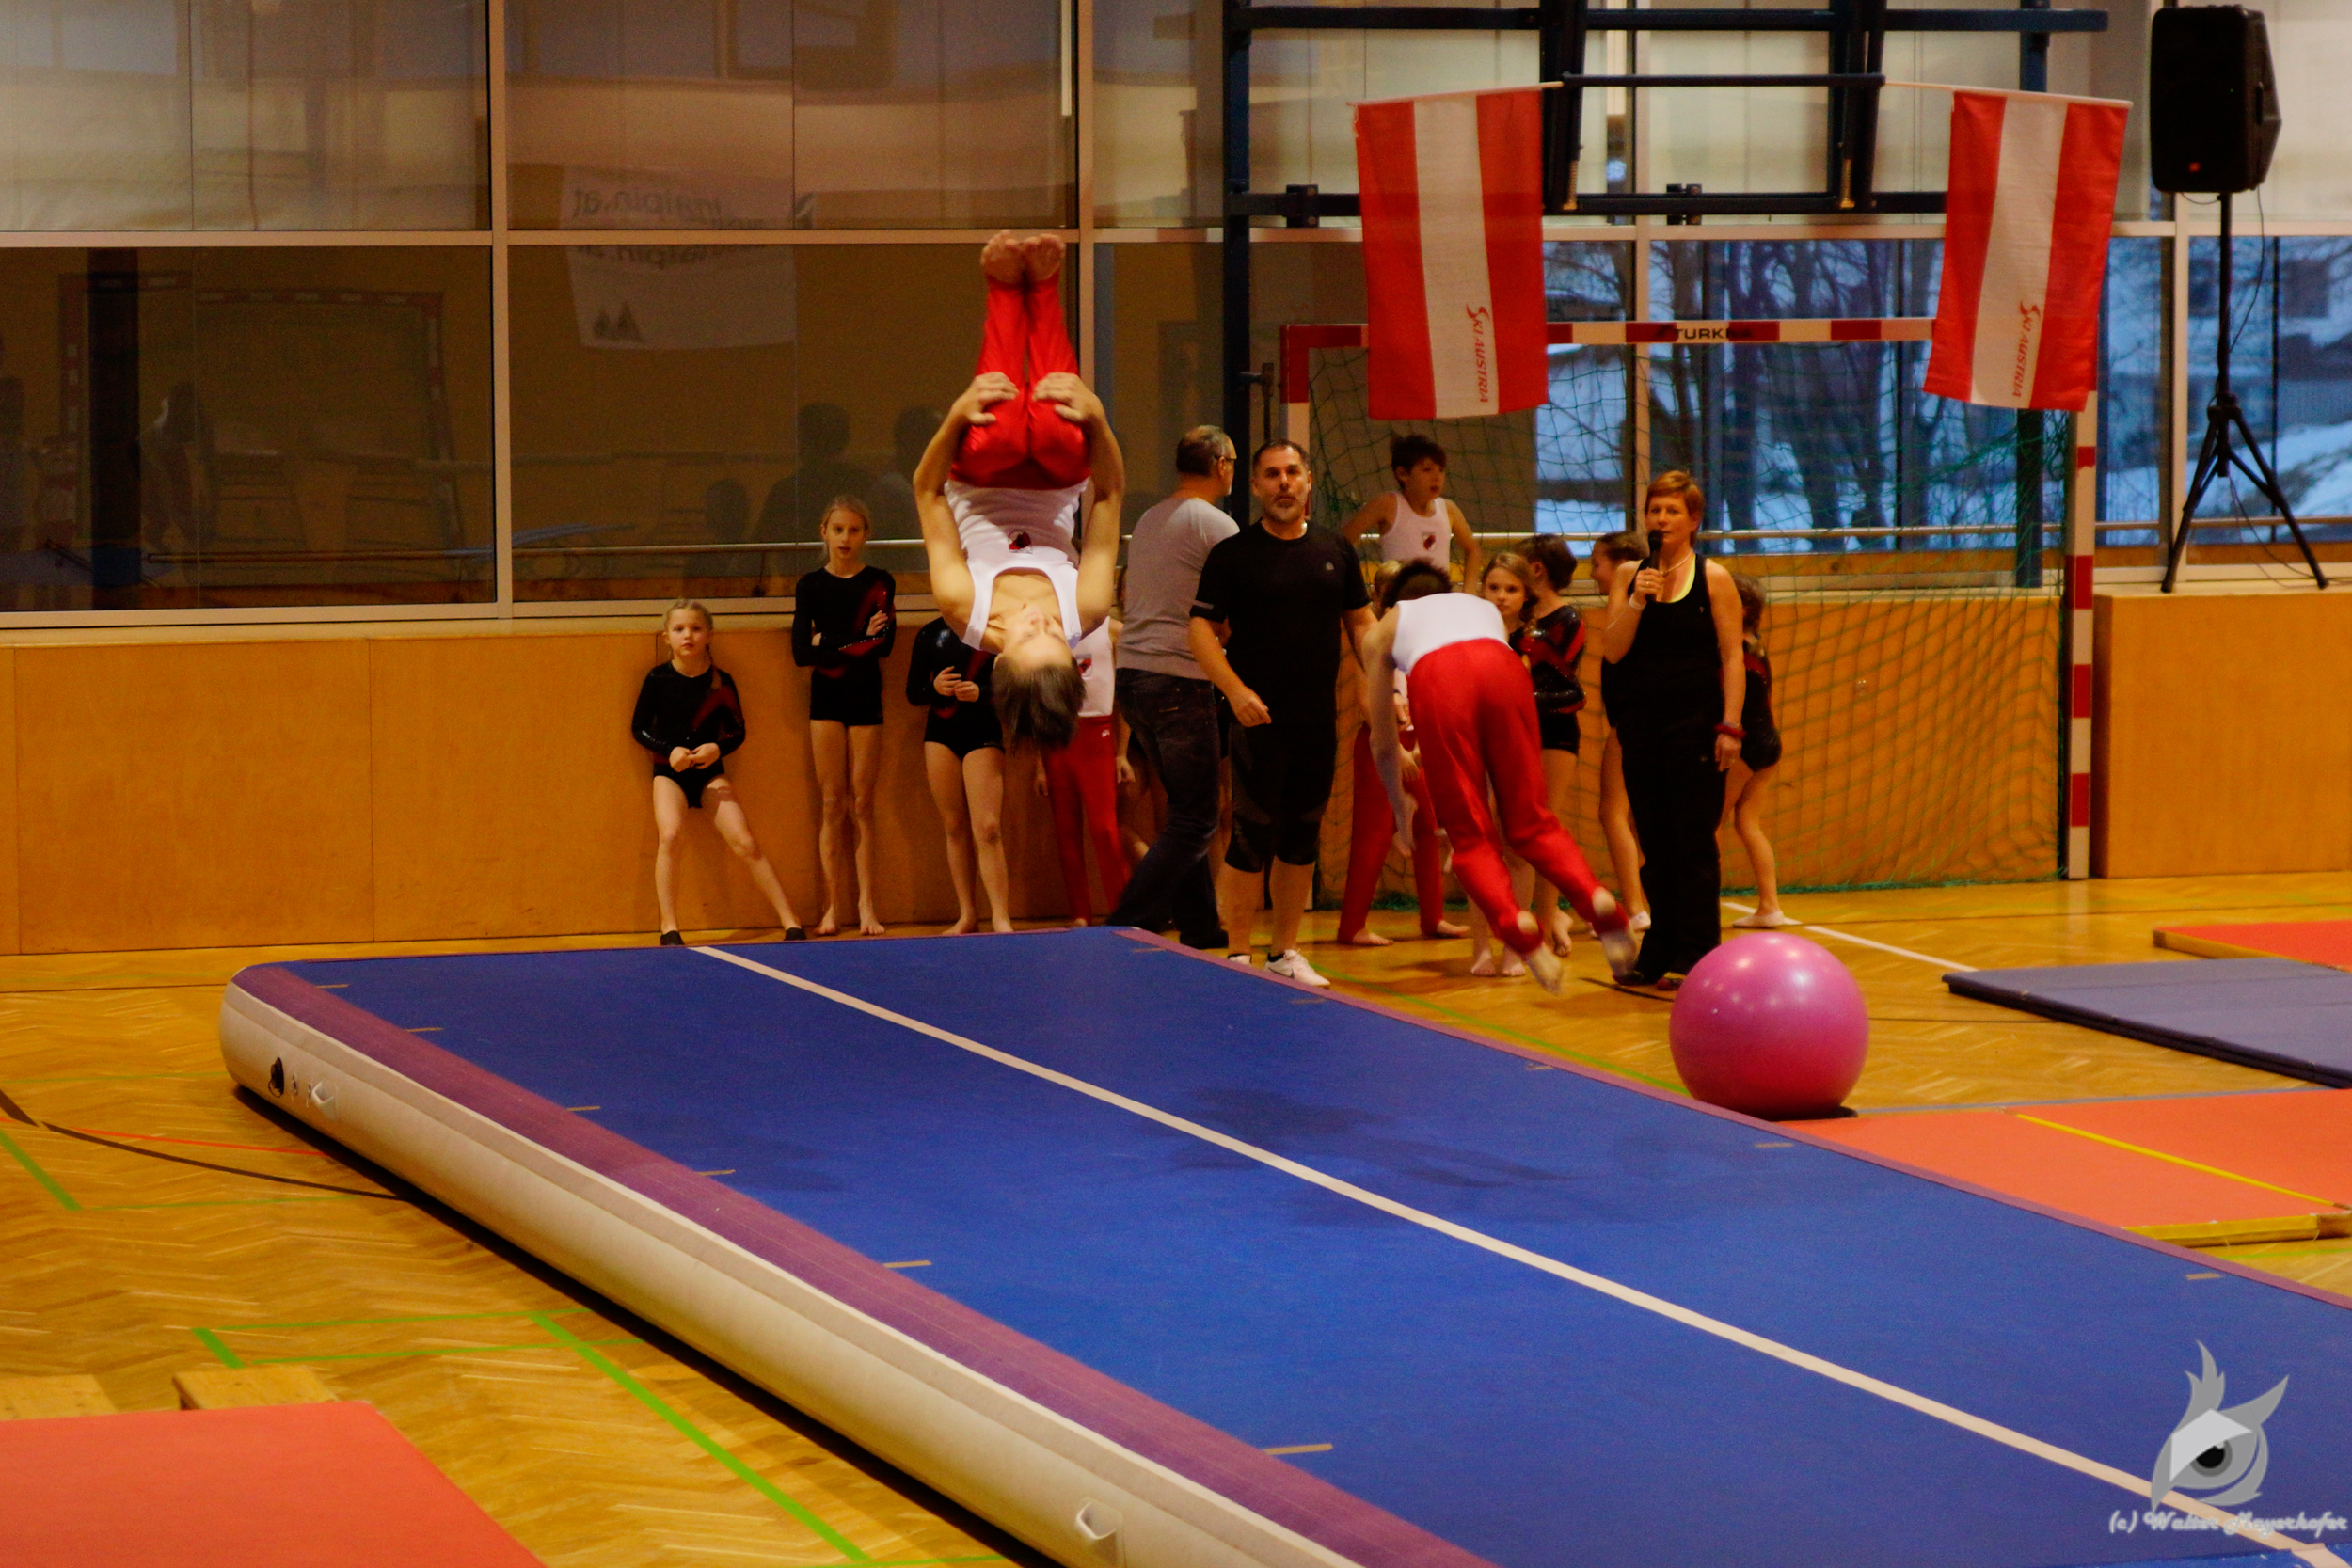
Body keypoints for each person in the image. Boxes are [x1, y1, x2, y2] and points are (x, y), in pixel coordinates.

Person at [1359, 564, 1635, 994]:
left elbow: (1382, 741)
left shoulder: (1382, 629)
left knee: (1471, 836)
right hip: (1503, 668)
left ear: (1388, 602)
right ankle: (1594, 897)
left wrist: (1400, 811)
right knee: (1532, 823)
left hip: (1440, 675)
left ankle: (1513, 921)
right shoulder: (1479, 607)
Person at [914, 231, 1124, 752]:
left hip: (980, 479)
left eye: (1030, 635)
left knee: (1000, 427)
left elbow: (928, 493)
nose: (1042, 622)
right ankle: (1045, 287)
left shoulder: (963, 605)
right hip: (1056, 481)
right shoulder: (1087, 607)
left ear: (1002, 659)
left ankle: (1006, 289)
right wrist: (1096, 417)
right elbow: (1109, 495)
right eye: (1055, 636)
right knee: (1059, 425)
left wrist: (957, 415)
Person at [1191, 439, 1373, 986]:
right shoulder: (1233, 555)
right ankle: (1237, 955)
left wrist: (1388, 682)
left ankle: (1285, 952)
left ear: (1309, 480)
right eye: (1272, 474)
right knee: (1251, 835)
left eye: (1292, 472)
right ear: (1255, 486)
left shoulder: (1336, 550)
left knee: (1302, 835)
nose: (1284, 483)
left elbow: (1362, 624)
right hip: (1257, 722)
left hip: (1317, 721)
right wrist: (1234, 690)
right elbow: (1199, 630)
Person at [1598, 472, 1747, 990]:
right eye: (1654, 510)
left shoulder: (1714, 578)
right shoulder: (1628, 576)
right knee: (1655, 843)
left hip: (1697, 726)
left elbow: (1733, 657)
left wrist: (1731, 726)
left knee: (1693, 844)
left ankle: (1698, 952)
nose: (1661, 519)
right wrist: (1637, 600)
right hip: (1642, 727)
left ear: (1694, 520)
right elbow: (1613, 650)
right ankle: (1658, 947)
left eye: (1672, 511)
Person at [1106, 426, 1238, 950]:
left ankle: (1201, 927)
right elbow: (1237, 603)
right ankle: (1123, 923)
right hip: (1178, 678)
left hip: (1133, 677)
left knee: (1186, 808)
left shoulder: (1150, 519)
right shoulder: (1216, 524)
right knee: (1199, 815)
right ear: (1222, 466)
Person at [632, 600, 806, 946]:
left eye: (696, 629)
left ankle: (790, 920)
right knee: (670, 835)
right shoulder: (658, 678)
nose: (688, 636)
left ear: (709, 635)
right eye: (679, 629)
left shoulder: (721, 682)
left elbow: (737, 731)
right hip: (669, 773)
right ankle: (669, 925)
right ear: (666, 637)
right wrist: (669, 750)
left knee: (745, 841)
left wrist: (717, 748)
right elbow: (638, 727)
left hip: (709, 773)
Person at [1335, 561, 1463, 948]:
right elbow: (1366, 704)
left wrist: (1422, 744)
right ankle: (1352, 926)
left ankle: (1433, 917)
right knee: (1373, 834)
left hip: (1414, 746)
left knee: (1427, 827)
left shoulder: (1424, 644)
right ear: (1381, 601)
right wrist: (1395, 749)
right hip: (1382, 747)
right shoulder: (1372, 643)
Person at [793, 497, 896, 936]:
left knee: (863, 803)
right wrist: (855, 637)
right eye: (838, 530)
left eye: (854, 530)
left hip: (865, 696)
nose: (845, 538)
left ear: (865, 534)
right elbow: (801, 652)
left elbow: (884, 646)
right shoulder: (810, 585)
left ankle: (867, 906)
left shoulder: (879, 582)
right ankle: (832, 907)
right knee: (832, 802)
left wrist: (827, 640)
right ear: (824, 532)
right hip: (827, 699)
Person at [907, 613, 1013, 934]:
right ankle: (967, 914)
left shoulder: (993, 634)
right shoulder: (930, 634)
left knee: (988, 828)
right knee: (953, 826)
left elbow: (1013, 687)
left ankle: (1000, 916)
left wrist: (982, 691)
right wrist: (934, 687)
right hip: (941, 734)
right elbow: (913, 692)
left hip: (982, 731)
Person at [1463, 553, 1538, 978]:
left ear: (1526, 595)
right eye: (1494, 587)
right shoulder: (1468, 639)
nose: (1502, 596)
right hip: (1474, 751)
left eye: (1511, 589)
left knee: (1517, 850)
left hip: (1518, 753)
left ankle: (1515, 947)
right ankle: (1480, 947)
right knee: (1478, 849)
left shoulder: (1533, 644)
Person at [1518, 534, 1591, 954]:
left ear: (1537, 569)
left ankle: (1547, 921)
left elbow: (1567, 685)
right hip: (1516, 728)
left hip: (1554, 731)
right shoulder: (1517, 613)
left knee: (1544, 827)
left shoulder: (1568, 618)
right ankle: (1532, 916)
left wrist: (1520, 697)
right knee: (1515, 829)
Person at [1035, 621, 1133, 925]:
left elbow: (1124, 696)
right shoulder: (1045, 631)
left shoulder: (1112, 631)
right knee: (1066, 831)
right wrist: (1039, 764)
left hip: (1097, 733)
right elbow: (1036, 700)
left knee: (1104, 829)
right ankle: (1080, 912)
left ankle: (1121, 909)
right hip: (1057, 737)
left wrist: (1121, 752)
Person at [1586, 531, 1652, 935]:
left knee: (1612, 811)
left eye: (1597, 564)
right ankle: (1647, 902)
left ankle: (1635, 907)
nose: (1593, 573)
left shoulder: (1631, 615)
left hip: (1634, 722)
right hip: (1643, 722)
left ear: (1623, 567)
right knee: (1640, 816)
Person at [1727, 574, 1794, 928]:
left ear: (1744, 609)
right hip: (1768, 740)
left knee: (1708, 824)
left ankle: (1698, 907)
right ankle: (1770, 905)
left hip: (1749, 742)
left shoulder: (1735, 649)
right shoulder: (1754, 643)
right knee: (1747, 822)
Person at [1342, 433, 1481, 583]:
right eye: (1427, 470)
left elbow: (1473, 550)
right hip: (1399, 596)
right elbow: (1343, 541)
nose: (1437, 477)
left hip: (1438, 595)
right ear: (1403, 474)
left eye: (1441, 470)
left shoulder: (1449, 509)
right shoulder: (1387, 504)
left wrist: (1469, 591)